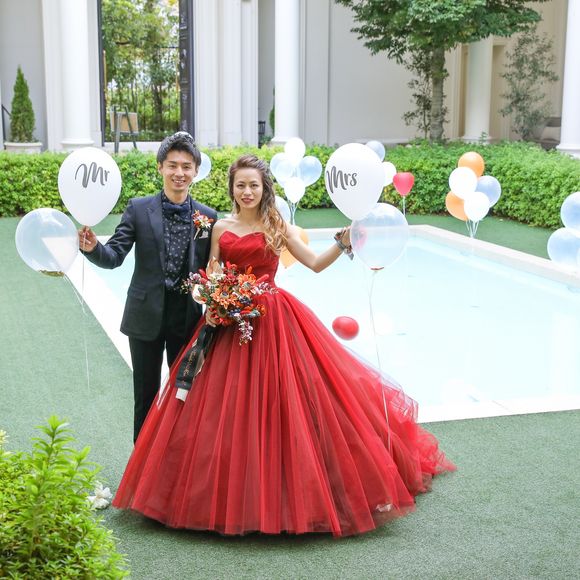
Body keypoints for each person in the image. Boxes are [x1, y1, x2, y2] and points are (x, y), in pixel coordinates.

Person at [112, 154, 455, 536]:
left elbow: (315, 263)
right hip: (228, 323)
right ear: (232, 189)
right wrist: (214, 296)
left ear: (265, 189)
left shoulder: (277, 225)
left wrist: (342, 243)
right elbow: (212, 271)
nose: (247, 192)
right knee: (222, 410)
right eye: (240, 185)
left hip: (274, 321)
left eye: (253, 185)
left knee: (285, 402)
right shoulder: (219, 226)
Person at [78, 132, 217, 442]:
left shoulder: (207, 217)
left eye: (186, 166)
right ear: (160, 167)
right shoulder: (139, 209)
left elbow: (214, 267)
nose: (179, 173)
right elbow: (115, 255)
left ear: (196, 171)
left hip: (187, 319)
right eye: (172, 165)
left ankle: (178, 457)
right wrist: (93, 249)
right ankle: (142, 462)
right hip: (144, 317)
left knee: (185, 394)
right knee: (145, 395)